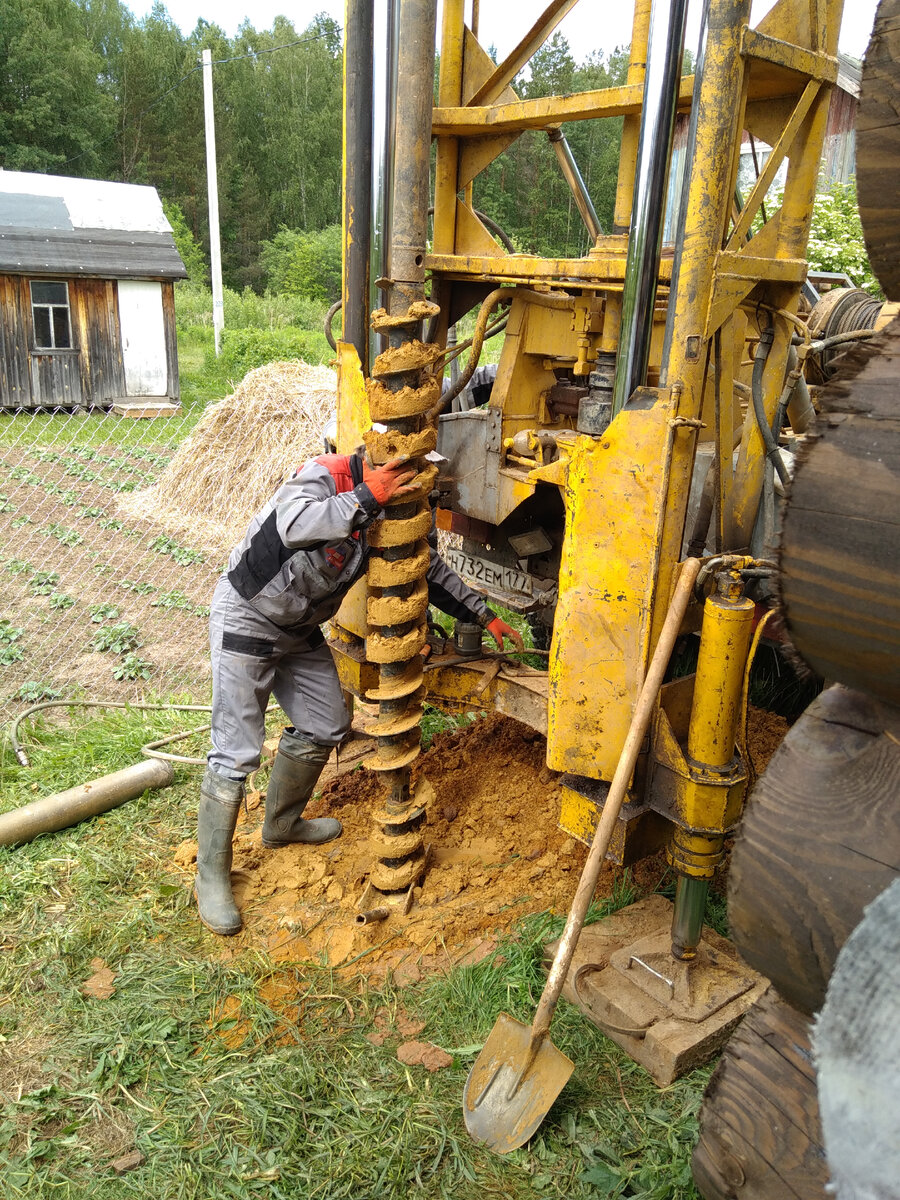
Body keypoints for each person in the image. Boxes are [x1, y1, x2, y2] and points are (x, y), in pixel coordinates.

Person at [196, 449, 523, 936]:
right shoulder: (323, 477)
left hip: (300, 628)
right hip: (249, 617)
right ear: (374, 462)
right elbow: (294, 525)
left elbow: (425, 568)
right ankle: (210, 881)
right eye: (403, 477)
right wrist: (368, 496)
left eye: (419, 483)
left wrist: (482, 614)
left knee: (327, 723)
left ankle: (280, 825)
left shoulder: (399, 502)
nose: (412, 489)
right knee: (237, 750)